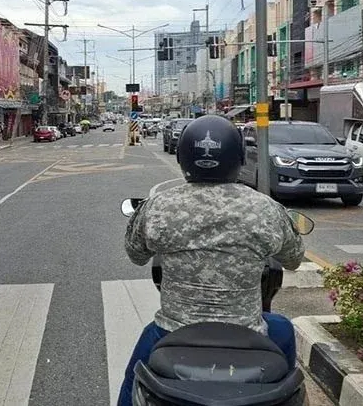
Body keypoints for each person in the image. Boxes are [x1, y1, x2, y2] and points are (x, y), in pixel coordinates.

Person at [118, 115, 305, 406]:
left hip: (172, 330)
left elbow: (135, 255)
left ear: (182, 158)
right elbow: (294, 258)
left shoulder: (158, 207)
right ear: (239, 158)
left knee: (132, 384)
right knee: (281, 327)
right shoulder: (266, 209)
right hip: (249, 333)